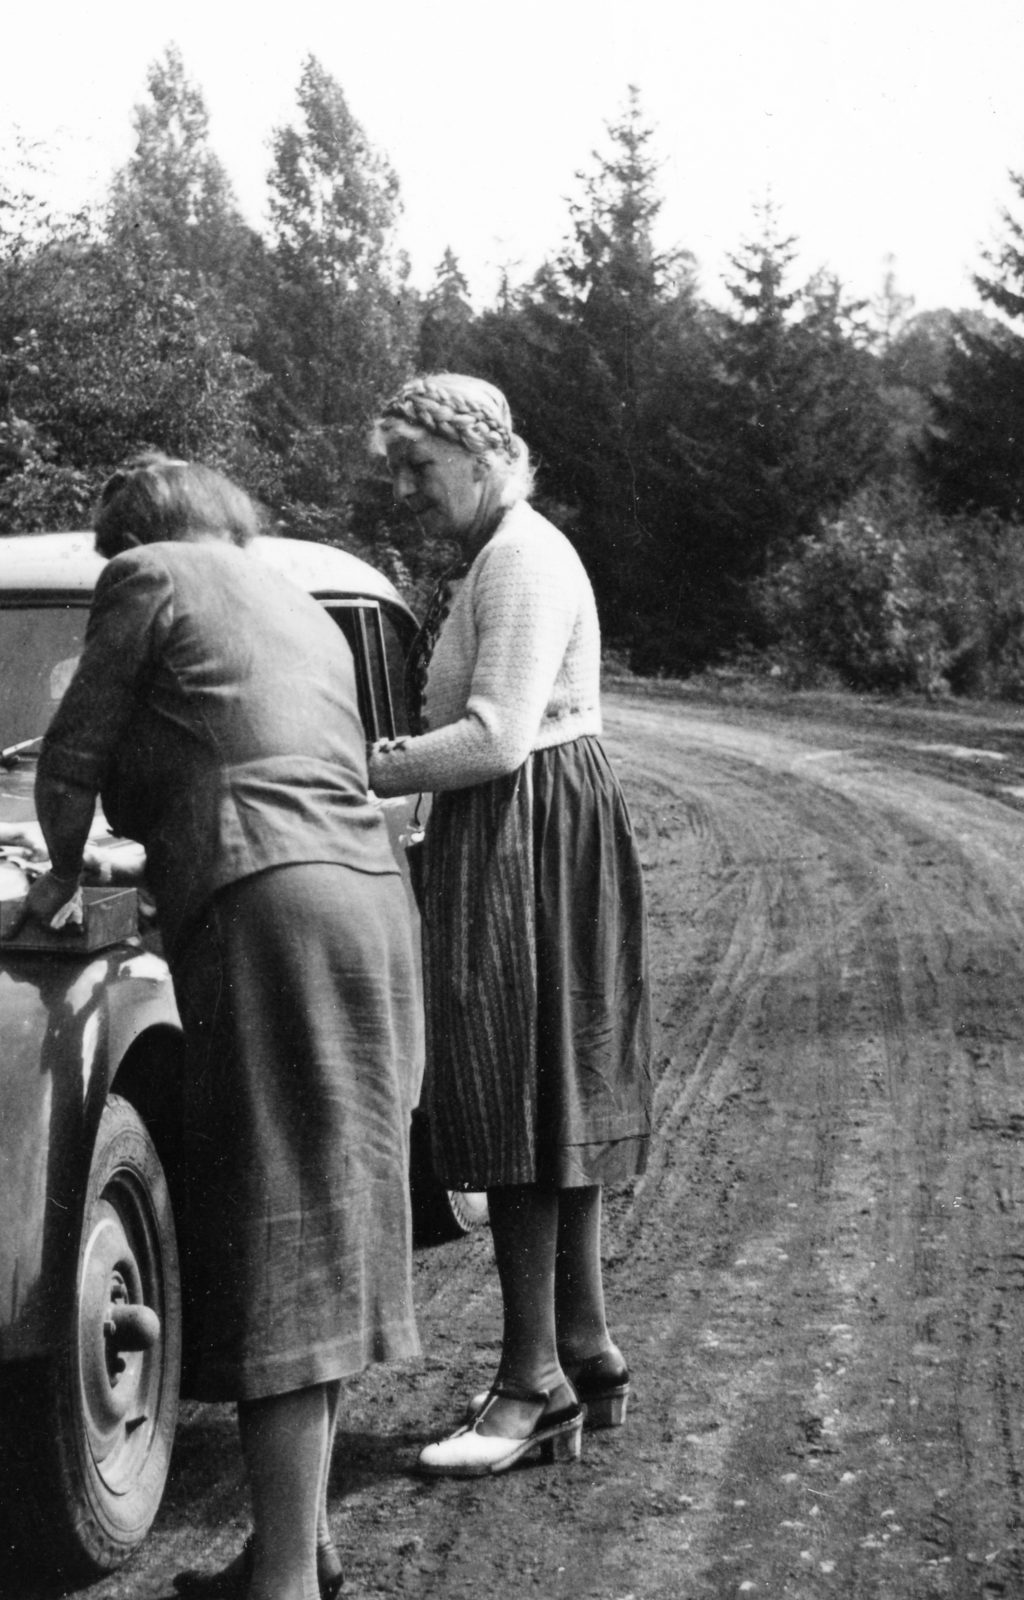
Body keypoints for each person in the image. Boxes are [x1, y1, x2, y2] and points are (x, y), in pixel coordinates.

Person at [23, 456, 420, 1600]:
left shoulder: (148, 572)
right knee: (333, 1216)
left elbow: (75, 753)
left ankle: (282, 1586)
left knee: (278, 1223)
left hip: (271, 903)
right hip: (369, 902)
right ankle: (299, 1549)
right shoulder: (290, 599)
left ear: (132, 533)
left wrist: (54, 873)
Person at [366, 375, 652, 1478]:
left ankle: (528, 1383)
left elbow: (490, 737)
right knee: (542, 1097)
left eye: (416, 465)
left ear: (480, 456)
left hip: (530, 823)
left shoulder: (523, 556)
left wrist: (355, 769)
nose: (404, 488)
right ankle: (581, 1347)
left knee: (520, 1104)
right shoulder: (496, 555)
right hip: (524, 824)